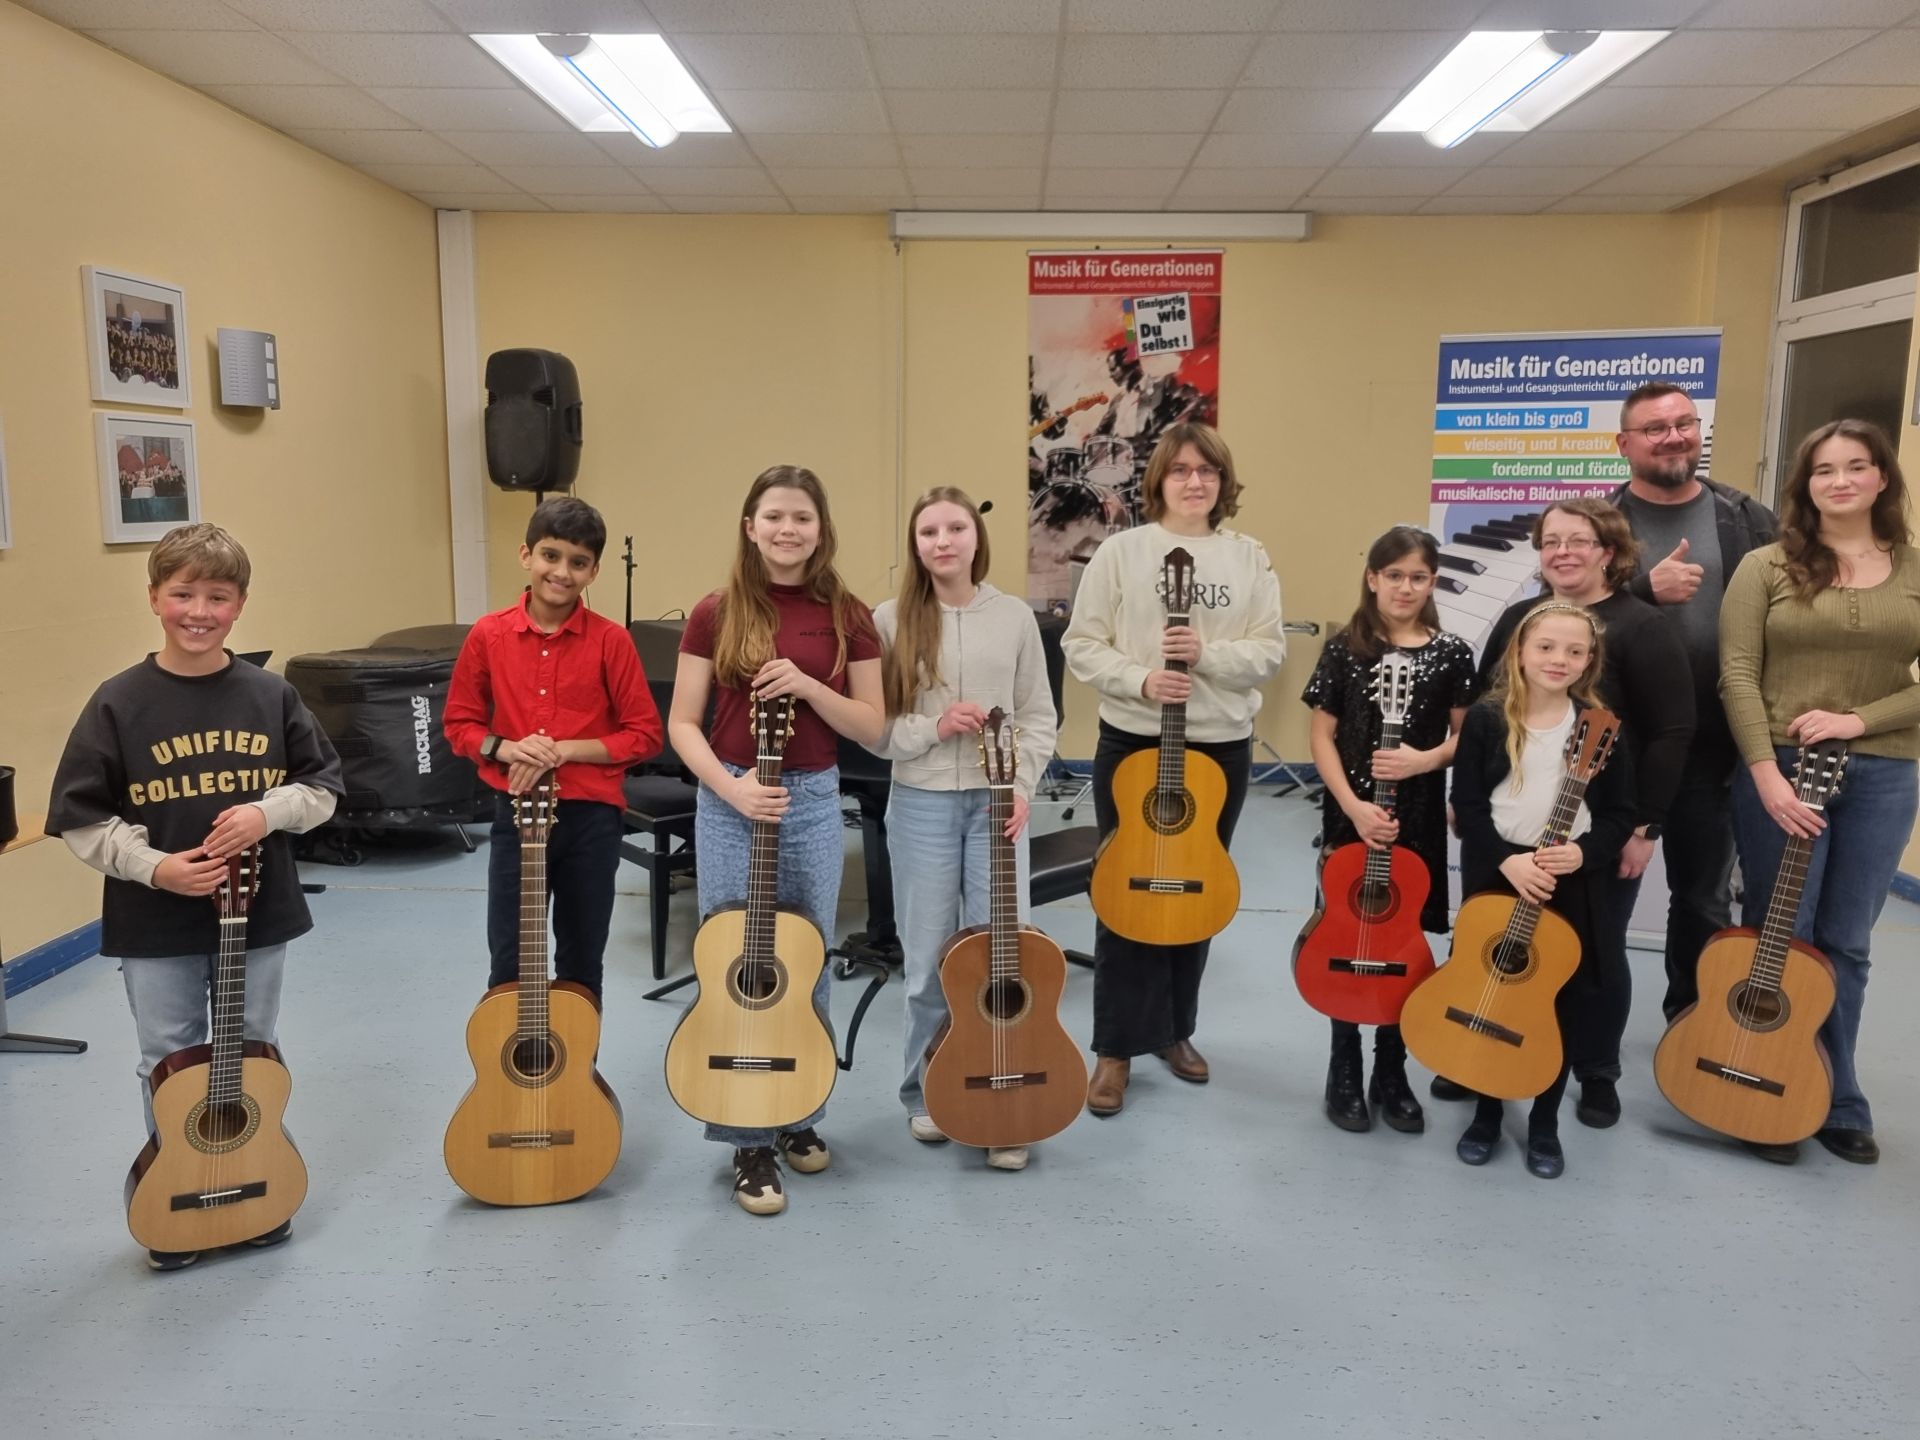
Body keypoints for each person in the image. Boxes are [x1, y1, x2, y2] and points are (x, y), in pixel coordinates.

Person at [46, 523, 344, 1271]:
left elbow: (323, 787)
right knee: (168, 1057)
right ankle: (178, 1188)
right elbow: (80, 819)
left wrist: (267, 813)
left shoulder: (271, 695)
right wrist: (155, 868)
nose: (199, 612)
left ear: (240, 604)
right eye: (183, 594)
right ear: (155, 597)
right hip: (155, 921)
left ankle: (252, 1179)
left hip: (259, 914)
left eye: (218, 596)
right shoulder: (119, 702)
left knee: (252, 1049)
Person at [668, 464, 885, 1215]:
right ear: (750, 527)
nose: (787, 529)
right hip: (732, 796)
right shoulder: (715, 611)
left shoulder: (849, 616)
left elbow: (873, 725)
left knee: (805, 958)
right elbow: (682, 724)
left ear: (821, 530)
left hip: (814, 798)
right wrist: (731, 790)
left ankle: (797, 1110)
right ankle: (747, 1140)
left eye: (802, 517)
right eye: (774, 516)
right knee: (736, 958)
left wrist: (810, 686)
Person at [1063, 420, 1286, 1117]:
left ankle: (1173, 1030)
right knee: (1124, 891)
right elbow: (1082, 644)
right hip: (1135, 743)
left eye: (1207, 471)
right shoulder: (1121, 553)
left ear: (1223, 482)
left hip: (1218, 747)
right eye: (1182, 470)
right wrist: (1142, 679)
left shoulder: (1249, 558)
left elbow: (1269, 651)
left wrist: (1205, 656)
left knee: (1198, 890)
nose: (1195, 482)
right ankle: (1115, 1048)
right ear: (1159, 479)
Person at [1719, 419, 1920, 1167]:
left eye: (1856, 466)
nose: (1840, 481)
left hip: (1885, 773)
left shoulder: (1915, 568)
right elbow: (1737, 673)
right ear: (1805, 484)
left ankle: (1835, 1095)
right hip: (1781, 768)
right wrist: (1765, 775)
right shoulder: (1765, 566)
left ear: (1882, 478)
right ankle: (1764, 1080)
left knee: (1847, 942)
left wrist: (1858, 720)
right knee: (1783, 933)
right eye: (1824, 470)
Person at [1471, 498, 1694, 1128]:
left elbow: (1672, 732)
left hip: (1595, 833)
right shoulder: (1519, 618)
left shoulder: (1643, 627)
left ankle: (1596, 1071)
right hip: (1515, 835)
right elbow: (1486, 702)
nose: (1562, 552)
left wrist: (1644, 827)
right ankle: (1481, 1053)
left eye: (1578, 540)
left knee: (1594, 955)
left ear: (1609, 552)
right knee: (1497, 943)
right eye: (1551, 542)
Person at [869, 487, 1057, 1171]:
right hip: (921, 803)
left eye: (955, 528)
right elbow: (875, 728)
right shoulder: (890, 619)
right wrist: (933, 726)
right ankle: (925, 1091)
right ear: (915, 545)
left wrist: (1023, 787)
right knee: (926, 965)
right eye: (929, 532)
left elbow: (1038, 714)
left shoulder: (1013, 617)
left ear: (977, 537)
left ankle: (1004, 1096)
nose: (943, 541)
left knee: (1000, 961)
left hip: (996, 806)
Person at [445, 496, 663, 1009]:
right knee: (509, 962)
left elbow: (644, 735)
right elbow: (459, 724)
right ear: (526, 554)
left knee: (581, 964)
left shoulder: (612, 641)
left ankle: (576, 1061)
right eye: (551, 555)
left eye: (578, 562)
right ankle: (512, 1059)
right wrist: (509, 748)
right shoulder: (489, 634)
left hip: (591, 821)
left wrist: (560, 751)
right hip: (515, 815)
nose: (562, 572)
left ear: (594, 571)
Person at [1606, 382, 1776, 1023]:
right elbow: (1558, 622)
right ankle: (1585, 1035)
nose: (1674, 436)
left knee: (1703, 899)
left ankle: (1690, 1024)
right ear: (1624, 443)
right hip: (1613, 745)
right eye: (1655, 428)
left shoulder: (1747, 519)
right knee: (1597, 892)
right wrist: (1642, 590)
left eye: (1684, 423)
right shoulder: (1595, 522)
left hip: (1713, 744)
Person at [1449, 601, 1636, 1179]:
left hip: (1569, 881)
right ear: (1521, 652)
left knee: (1559, 1000)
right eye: (1547, 647)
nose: (1559, 659)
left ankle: (1545, 1120)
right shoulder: (1487, 720)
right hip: (1498, 874)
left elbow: (1619, 814)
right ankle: (1486, 1111)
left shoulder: (1599, 727)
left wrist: (1583, 853)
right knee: (1494, 989)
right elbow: (1468, 806)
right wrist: (1507, 861)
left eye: (1575, 651)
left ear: (1589, 660)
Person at [1302, 526, 1473, 1135]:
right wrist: (1352, 807)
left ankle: (1392, 1069)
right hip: (1352, 816)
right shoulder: (1344, 648)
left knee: (1403, 939)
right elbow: (1322, 736)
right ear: (1372, 578)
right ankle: (1344, 1065)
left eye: (1418, 577)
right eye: (1394, 575)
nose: (1405, 587)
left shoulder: (1452, 653)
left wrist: (1423, 761)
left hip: (1416, 816)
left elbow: (1465, 737)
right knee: (1344, 932)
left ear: (1433, 582)